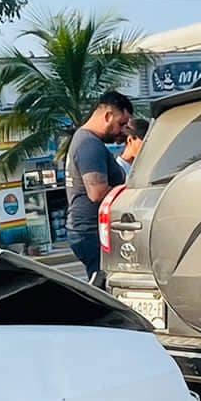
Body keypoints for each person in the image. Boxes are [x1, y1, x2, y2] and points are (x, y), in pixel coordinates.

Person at [65, 91, 134, 282]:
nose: (122, 131)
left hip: (86, 229)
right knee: (104, 284)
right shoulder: (89, 144)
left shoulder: (85, 140)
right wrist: (132, 192)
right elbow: (97, 193)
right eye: (121, 124)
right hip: (91, 231)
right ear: (108, 116)